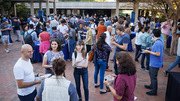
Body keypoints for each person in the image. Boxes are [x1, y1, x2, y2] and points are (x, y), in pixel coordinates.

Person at [143, 29, 164, 96]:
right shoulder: (160, 41)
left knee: (153, 77)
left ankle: (154, 91)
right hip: (154, 62)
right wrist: (151, 49)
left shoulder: (157, 42)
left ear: (154, 34)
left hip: (155, 63)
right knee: (151, 74)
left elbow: (158, 54)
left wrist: (148, 51)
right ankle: (152, 85)